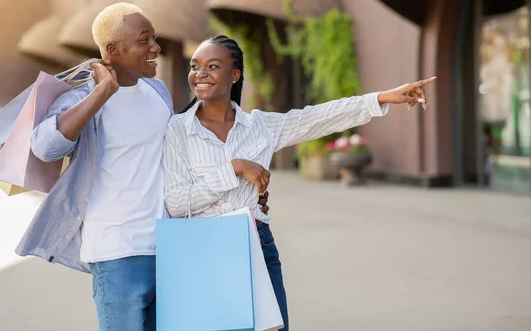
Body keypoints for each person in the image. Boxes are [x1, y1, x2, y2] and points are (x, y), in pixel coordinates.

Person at [15, 4, 269, 331]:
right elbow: (45, 146)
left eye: (155, 38)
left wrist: (240, 189)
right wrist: (104, 91)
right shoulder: (83, 98)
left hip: (168, 247)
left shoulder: (157, 91)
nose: (156, 48)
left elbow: (181, 157)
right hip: (117, 251)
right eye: (144, 40)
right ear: (113, 50)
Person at [162, 35, 436, 331]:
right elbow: (176, 203)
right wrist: (236, 168)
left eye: (212, 66)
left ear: (235, 74)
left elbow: (317, 118)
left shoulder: (260, 127)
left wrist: (381, 97)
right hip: (203, 250)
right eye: (195, 66)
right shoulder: (178, 129)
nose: (200, 74)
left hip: (255, 244)